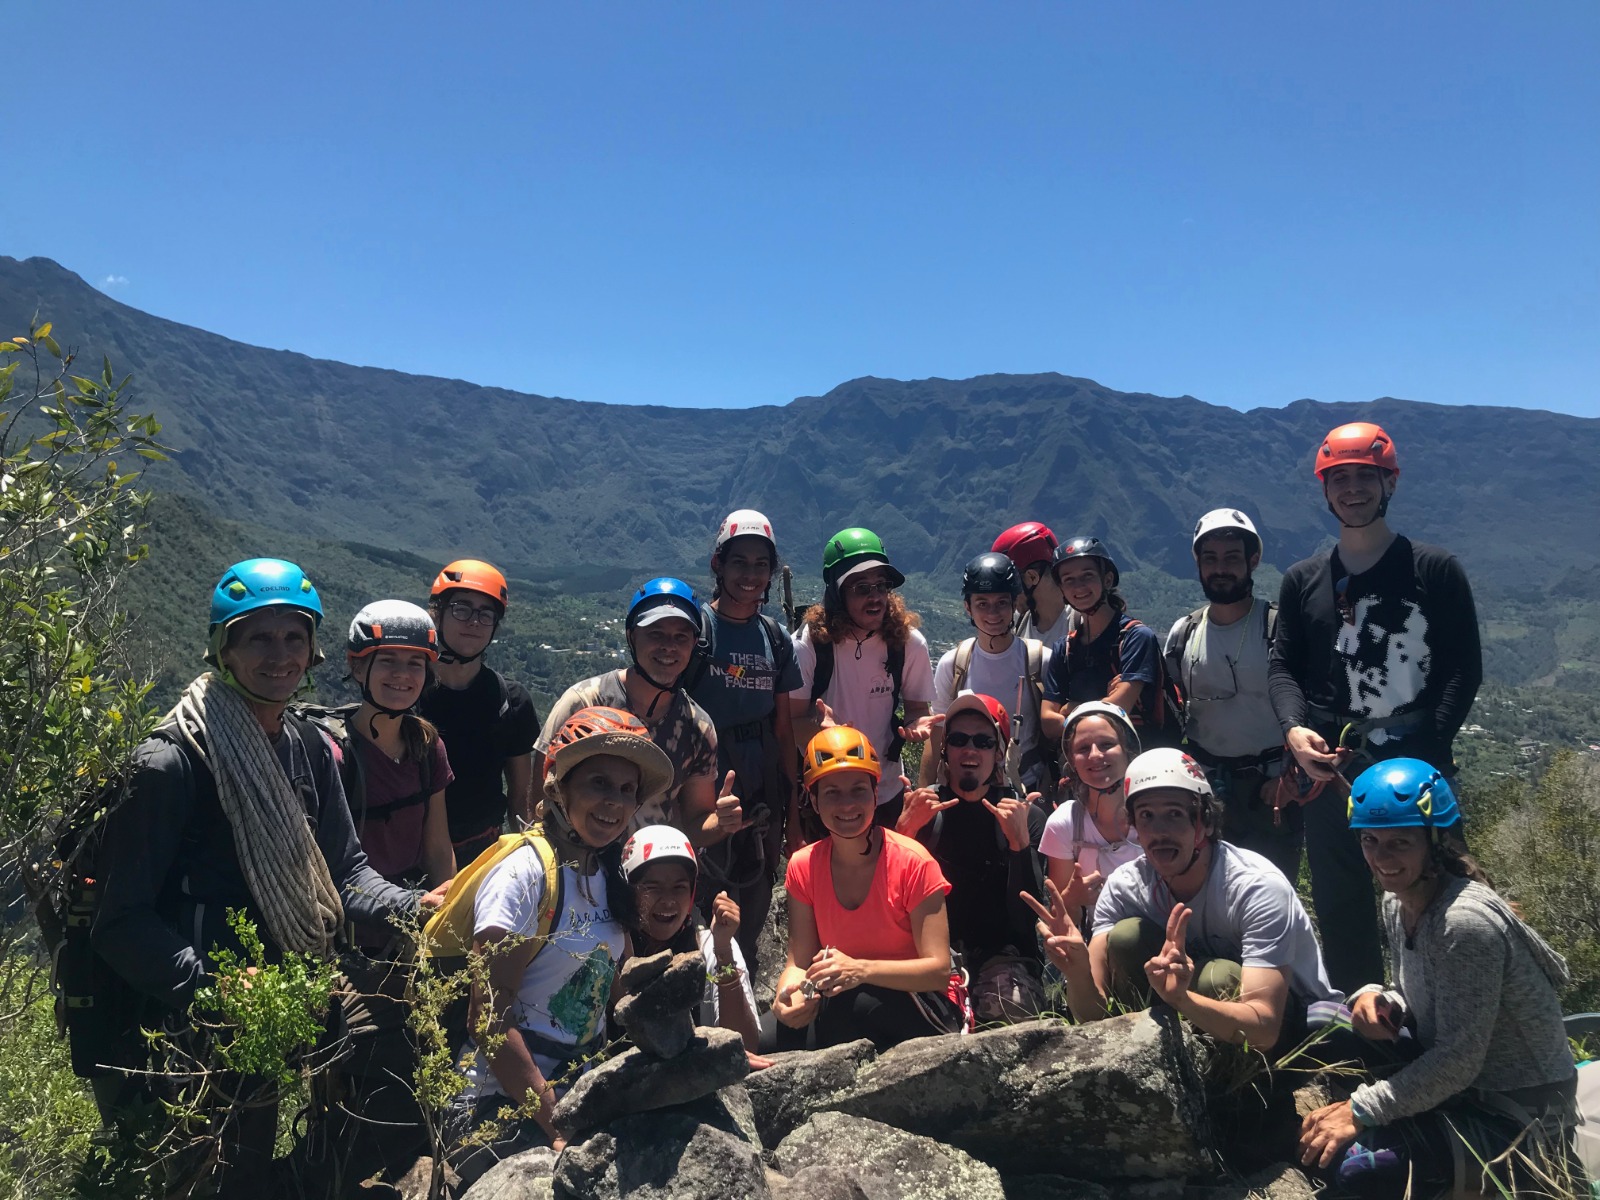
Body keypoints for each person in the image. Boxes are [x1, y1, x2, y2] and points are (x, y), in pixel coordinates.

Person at [90, 558, 423, 1197]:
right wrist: (213, 987)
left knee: (397, 1072)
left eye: (293, 638)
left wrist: (416, 906)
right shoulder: (170, 765)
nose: (280, 656)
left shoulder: (306, 747)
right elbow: (122, 921)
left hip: (290, 982)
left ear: (314, 647)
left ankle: (305, 1182)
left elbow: (346, 873)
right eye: (258, 639)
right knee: (226, 1174)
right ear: (224, 649)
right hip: (200, 1018)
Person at [1299, 760, 1578, 1199]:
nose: (1381, 859)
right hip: (1463, 1079)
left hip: (1518, 1112)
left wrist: (1361, 1110)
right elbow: (1420, 990)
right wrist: (1379, 995)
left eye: (1399, 843)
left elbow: (1458, 1060)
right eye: (1370, 841)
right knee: (1323, 1018)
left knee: (1357, 1171)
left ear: (1433, 843)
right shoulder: (1400, 901)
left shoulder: (1464, 924)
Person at [1269, 422, 1482, 993]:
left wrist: (1429, 753)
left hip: (1416, 761)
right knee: (1342, 903)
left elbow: (1462, 669)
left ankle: (1450, 1025)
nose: (1352, 489)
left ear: (1390, 483)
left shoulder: (1433, 570)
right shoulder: (1303, 580)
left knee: (1436, 893)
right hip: (1332, 766)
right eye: (1340, 478)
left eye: (1366, 476)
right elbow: (1284, 667)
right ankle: (1364, 1025)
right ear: (1325, 489)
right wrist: (1294, 732)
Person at [454, 706, 674, 1181]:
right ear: (559, 788)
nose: (614, 802)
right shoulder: (525, 874)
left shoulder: (606, 873)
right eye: (598, 783)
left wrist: (701, 1051)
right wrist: (555, 1122)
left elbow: (622, 993)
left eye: (626, 789)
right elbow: (488, 1017)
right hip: (500, 1101)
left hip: (573, 1084)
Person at [1030, 748, 1340, 1055]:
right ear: (1134, 827)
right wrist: (1078, 972)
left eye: (1175, 815)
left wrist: (1182, 1000)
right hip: (1195, 1010)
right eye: (1147, 816)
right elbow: (1093, 1016)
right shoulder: (1125, 887)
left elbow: (1264, 1029)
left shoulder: (1254, 886)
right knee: (1126, 937)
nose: (1160, 832)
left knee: (1215, 978)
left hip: (1290, 1023)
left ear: (1204, 823)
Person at [770, 727, 963, 1050]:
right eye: (832, 793)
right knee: (766, 1038)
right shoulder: (803, 866)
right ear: (814, 801)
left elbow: (938, 970)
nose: (847, 805)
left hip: (922, 1002)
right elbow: (799, 962)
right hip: (843, 993)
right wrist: (786, 995)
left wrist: (860, 970)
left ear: (875, 796)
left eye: (858, 790)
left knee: (854, 1005)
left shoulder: (914, 862)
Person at [536, 579, 744, 847]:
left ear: (694, 644)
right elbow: (539, 802)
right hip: (578, 867)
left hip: (651, 877)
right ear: (632, 637)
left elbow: (694, 822)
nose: (669, 646)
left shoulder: (698, 727)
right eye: (655, 633)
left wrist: (721, 822)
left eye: (681, 636)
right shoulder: (583, 702)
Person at [688, 510, 802, 971]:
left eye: (761, 564)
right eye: (740, 562)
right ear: (719, 565)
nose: (751, 574)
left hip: (761, 789)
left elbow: (783, 728)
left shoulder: (774, 638)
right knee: (700, 898)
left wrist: (791, 810)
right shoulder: (697, 631)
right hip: (703, 784)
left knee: (752, 900)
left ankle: (742, 998)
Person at [1165, 509, 1300, 882]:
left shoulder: (1277, 628)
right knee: (1207, 894)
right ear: (1198, 563)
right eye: (1210, 558)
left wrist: (1293, 783)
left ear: (1253, 561)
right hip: (1207, 791)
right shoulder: (1183, 634)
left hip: (1270, 791)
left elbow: (1309, 712)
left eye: (1231, 558)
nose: (1220, 568)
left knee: (1271, 895)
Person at [898, 693, 1047, 1023]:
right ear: (944, 749)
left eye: (983, 741)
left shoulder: (1026, 817)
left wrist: (1020, 846)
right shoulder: (921, 812)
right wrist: (902, 836)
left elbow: (1028, 924)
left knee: (1012, 1010)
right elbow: (888, 904)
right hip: (930, 954)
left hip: (1003, 956)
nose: (970, 749)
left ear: (998, 753)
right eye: (958, 739)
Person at [788, 528, 937, 826]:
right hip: (827, 792)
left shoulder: (907, 643)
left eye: (881, 586)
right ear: (837, 593)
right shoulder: (811, 643)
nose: (875, 597)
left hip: (885, 791)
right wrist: (819, 730)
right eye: (861, 588)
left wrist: (916, 722)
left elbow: (917, 710)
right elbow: (791, 723)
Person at [336, 600, 457, 947]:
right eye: (387, 661)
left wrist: (449, 921)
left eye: (415, 664)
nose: (403, 674)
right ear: (358, 669)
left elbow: (437, 846)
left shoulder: (426, 747)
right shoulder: (334, 754)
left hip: (411, 920)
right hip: (350, 928)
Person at [420, 559, 541, 865]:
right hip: (411, 856)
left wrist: (534, 862)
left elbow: (519, 799)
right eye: (462, 608)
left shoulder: (511, 702)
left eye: (485, 614)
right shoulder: (407, 694)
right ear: (438, 612)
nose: (474, 622)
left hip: (483, 854)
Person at [615, 824, 760, 1051]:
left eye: (679, 887)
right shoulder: (612, 946)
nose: (668, 900)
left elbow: (745, 1046)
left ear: (692, 891)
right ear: (629, 890)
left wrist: (723, 952)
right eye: (652, 887)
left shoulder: (713, 945)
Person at [922, 553, 1053, 803]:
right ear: (968, 607)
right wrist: (924, 793)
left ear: (1015, 603)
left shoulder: (1039, 661)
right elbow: (937, 734)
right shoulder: (953, 664)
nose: (993, 613)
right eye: (982, 603)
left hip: (1026, 791)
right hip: (965, 790)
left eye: (1001, 603)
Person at [1040, 537, 1177, 749]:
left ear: (1107, 579)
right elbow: (1048, 723)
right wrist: (1100, 704)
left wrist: (1071, 708)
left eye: (1087, 576)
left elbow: (1117, 710)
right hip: (1087, 767)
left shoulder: (1136, 638)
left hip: (1138, 761)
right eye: (1069, 580)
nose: (1079, 586)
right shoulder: (1065, 648)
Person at [1037, 701, 1142, 928]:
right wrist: (1072, 901)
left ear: (1128, 751)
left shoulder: (1155, 813)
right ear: (1072, 761)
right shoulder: (1065, 824)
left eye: (1106, 744)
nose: (1095, 755)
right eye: (1083, 749)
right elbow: (1063, 926)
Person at [992, 520, 1069, 648]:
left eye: (1011, 585)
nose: (1009, 596)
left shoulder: (1083, 624)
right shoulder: (1015, 622)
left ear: (1032, 577)